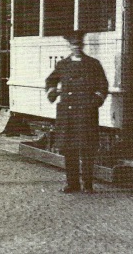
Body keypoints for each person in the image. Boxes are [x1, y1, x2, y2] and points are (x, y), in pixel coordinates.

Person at [45, 29, 108, 193]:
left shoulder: (93, 64)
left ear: (83, 45)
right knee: (69, 150)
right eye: (73, 45)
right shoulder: (63, 65)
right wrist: (53, 92)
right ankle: (72, 184)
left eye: (79, 44)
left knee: (87, 150)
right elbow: (51, 80)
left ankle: (88, 184)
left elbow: (103, 85)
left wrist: (94, 102)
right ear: (69, 46)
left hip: (86, 114)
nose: (76, 47)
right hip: (68, 114)